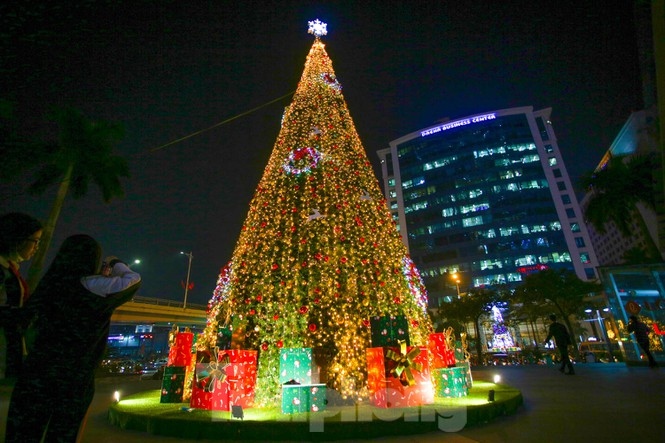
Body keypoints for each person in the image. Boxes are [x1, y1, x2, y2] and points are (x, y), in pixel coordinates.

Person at [5, 234, 141, 443]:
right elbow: (132, 280)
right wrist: (115, 263)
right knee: (64, 433)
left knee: (23, 432)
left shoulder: (49, 285)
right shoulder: (92, 285)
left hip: (37, 371)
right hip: (74, 377)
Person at [0, 212, 43, 379]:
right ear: (18, 238)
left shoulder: (9, 268)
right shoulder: (3, 271)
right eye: (35, 241)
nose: (36, 247)